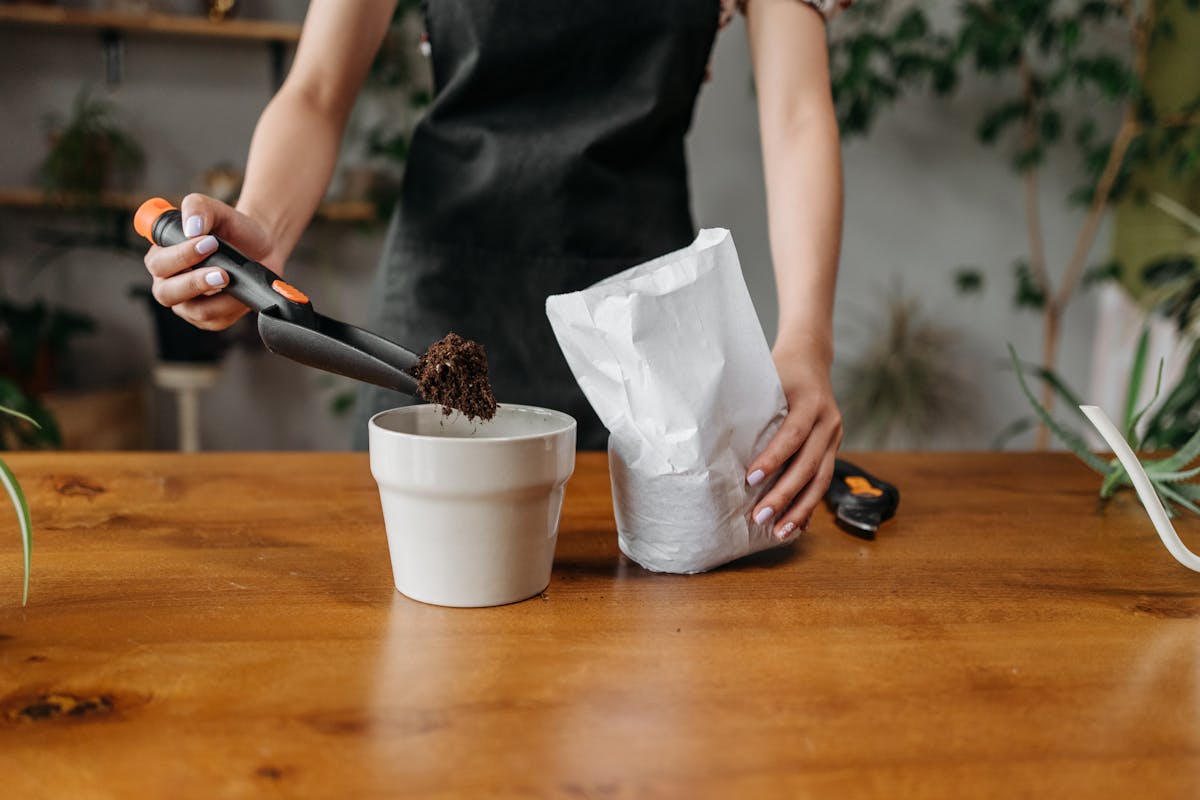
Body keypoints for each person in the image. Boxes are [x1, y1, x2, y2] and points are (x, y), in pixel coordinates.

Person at [142, 0, 847, 541]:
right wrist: (265, 224)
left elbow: (797, 117)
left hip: (639, 339)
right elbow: (319, 89)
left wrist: (806, 341)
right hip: (440, 305)